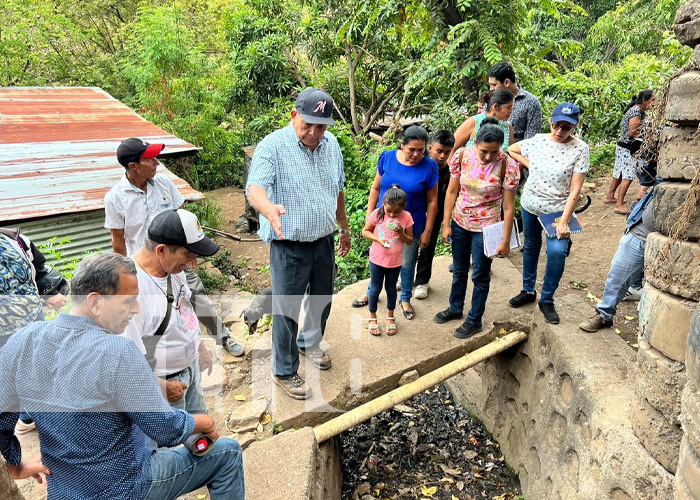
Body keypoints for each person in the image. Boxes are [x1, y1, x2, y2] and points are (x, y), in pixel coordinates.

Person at [0, 253, 244, 500]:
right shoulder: (117, 351)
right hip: (125, 486)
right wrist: (202, 423)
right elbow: (165, 429)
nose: (136, 309)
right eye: (129, 301)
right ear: (95, 302)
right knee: (227, 453)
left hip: (65, 490)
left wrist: (16, 466)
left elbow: (1, 419)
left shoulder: (23, 341)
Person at [246, 88, 351, 400]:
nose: (315, 133)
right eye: (309, 125)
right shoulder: (273, 146)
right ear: (294, 116)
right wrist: (268, 209)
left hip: (324, 240)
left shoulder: (331, 145)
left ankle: (310, 343)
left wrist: (344, 227)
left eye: (322, 126)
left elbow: (339, 189)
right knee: (286, 310)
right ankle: (285, 370)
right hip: (288, 244)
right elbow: (256, 188)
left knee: (322, 299)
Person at [104, 137, 244, 357]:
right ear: (133, 166)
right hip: (144, 268)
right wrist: (123, 274)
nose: (156, 164)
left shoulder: (164, 185)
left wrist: (191, 250)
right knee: (149, 312)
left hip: (175, 258)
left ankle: (222, 337)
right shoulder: (115, 198)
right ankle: (157, 357)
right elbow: (118, 241)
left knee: (196, 296)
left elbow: (183, 217)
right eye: (150, 159)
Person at [123, 209, 219, 414]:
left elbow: (184, 311)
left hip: (190, 370)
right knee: (172, 443)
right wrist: (162, 386)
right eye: (188, 254)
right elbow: (129, 361)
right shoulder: (132, 291)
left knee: (200, 435)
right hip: (166, 386)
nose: (193, 262)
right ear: (161, 251)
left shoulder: (173, 271)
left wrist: (200, 349)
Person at [434, 117, 520, 338]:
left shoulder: (508, 165)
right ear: (475, 143)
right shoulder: (462, 156)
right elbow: (451, 192)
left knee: (481, 275)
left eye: (494, 151)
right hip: (460, 222)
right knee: (459, 269)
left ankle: (475, 319)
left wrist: (505, 240)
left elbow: (509, 207)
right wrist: (446, 224)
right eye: (484, 151)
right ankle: (455, 308)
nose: (489, 157)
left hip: (488, 227)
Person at [507, 103, 589, 324]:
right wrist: (530, 165)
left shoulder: (580, 149)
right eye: (557, 125)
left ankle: (547, 299)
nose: (560, 131)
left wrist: (564, 221)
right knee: (531, 247)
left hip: (557, 210)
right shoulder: (538, 141)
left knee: (556, 252)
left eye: (567, 127)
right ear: (551, 121)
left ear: (574, 127)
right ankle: (528, 290)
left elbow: (575, 189)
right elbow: (511, 149)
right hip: (530, 204)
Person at [0, 228, 68, 435]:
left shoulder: (15, 240)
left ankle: (29, 416)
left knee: (40, 363)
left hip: (32, 318)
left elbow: (38, 269)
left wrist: (49, 294)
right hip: (3, 330)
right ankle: (28, 417)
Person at [579, 188, 655, 332]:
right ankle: (604, 315)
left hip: (673, 242)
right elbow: (647, 175)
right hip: (639, 232)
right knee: (617, 275)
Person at [362, 185, 414, 336]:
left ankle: (390, 316)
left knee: (391, 289)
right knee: (375, 289)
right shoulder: (377, 214)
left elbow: (409, 240)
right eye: (388, 211)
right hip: (377, 260)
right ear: (383, 205)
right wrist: (378, 239)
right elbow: (365, 232)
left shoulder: (407, 217)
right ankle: (372, 318)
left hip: (395, 261)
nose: (391, 215)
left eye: (396, 212)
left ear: (403, 208)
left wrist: (400, 233)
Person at [414, 130, 455, 299]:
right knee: (408, 246)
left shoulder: (451, 173)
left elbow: (450, 198)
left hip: (436, 216)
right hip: (415, 214)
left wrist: (446, 221)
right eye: (439, 151)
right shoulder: (419, 166)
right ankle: (405, 276)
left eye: (447, 152)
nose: (442, 156)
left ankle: (422, 281)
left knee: (427, 247)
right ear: (430, 148)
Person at [604, 90, 656, 214]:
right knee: (628, 176)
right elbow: (632, 132)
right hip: (629, 148)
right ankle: (619, 204)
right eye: (652, 100)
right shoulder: (636, 111)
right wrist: (648, 135)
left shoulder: (637, 110)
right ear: (644, 100)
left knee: (620, 172)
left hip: (623, 146)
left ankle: (610, 196)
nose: (654, 103)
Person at [450, 89, 515, 159]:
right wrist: (455, 169)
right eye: (508, 107)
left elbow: (510, 157)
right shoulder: (473, 122)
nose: (511, 111)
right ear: (496, 107)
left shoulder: (508, 126)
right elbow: (451, 148)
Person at [488, 62, 542, 143]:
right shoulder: (491, 98)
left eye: (494, 85)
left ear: (507, 82)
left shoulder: (531, 102)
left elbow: (531, 140)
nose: (491, 89)